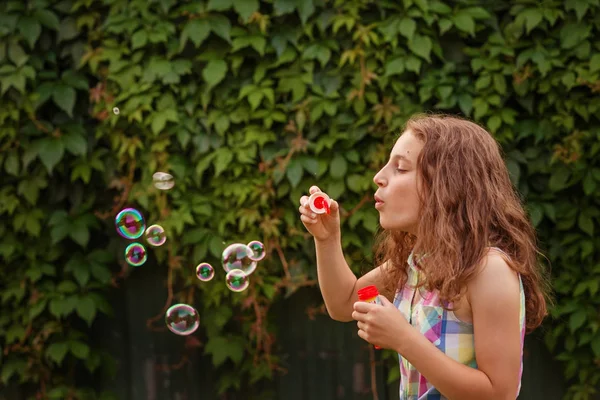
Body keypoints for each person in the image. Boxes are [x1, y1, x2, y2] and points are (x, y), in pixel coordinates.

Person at [298, 114, 551, 400]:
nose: (378, 177)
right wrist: (327, 239)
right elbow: (344, 304)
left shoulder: (488, 270)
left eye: (401, 168)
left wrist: (403, 338)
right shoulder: (417, 262)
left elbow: (498, 393)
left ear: (446, 185)